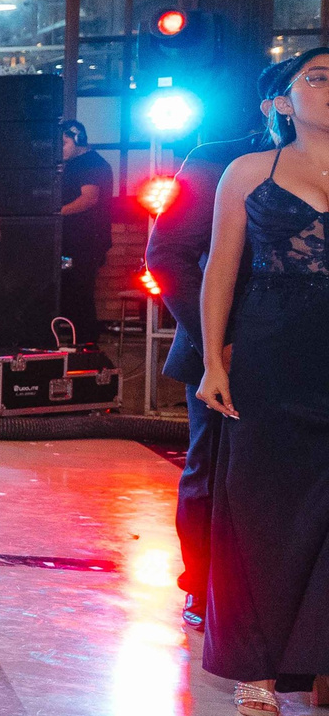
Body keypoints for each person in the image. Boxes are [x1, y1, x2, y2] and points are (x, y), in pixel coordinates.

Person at [196, 45, 329, 716]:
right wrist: (213, 362)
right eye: (319, 78)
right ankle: (256, 667)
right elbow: (220, 269)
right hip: (272, 352)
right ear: (281, 101)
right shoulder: (250, 170)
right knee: (261, 508)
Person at [144, 60, 296, 628]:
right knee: (215, 470)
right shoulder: (217, 159)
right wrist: (218, 343)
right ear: (276, 104)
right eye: (319, 80)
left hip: (307, 343)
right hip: (228, 341)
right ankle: (203, 587)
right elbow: (167, 256)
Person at [58, 117, 114, 346]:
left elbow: (89, 199)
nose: (59, 149)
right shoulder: (74, 164)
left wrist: (56, 212)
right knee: (69, 290)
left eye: (63, 143)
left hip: (87, 242)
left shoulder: (92, 164)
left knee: (80, 292)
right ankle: (75, 341)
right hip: (73, 241)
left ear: (78, 139)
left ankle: (86, 344)